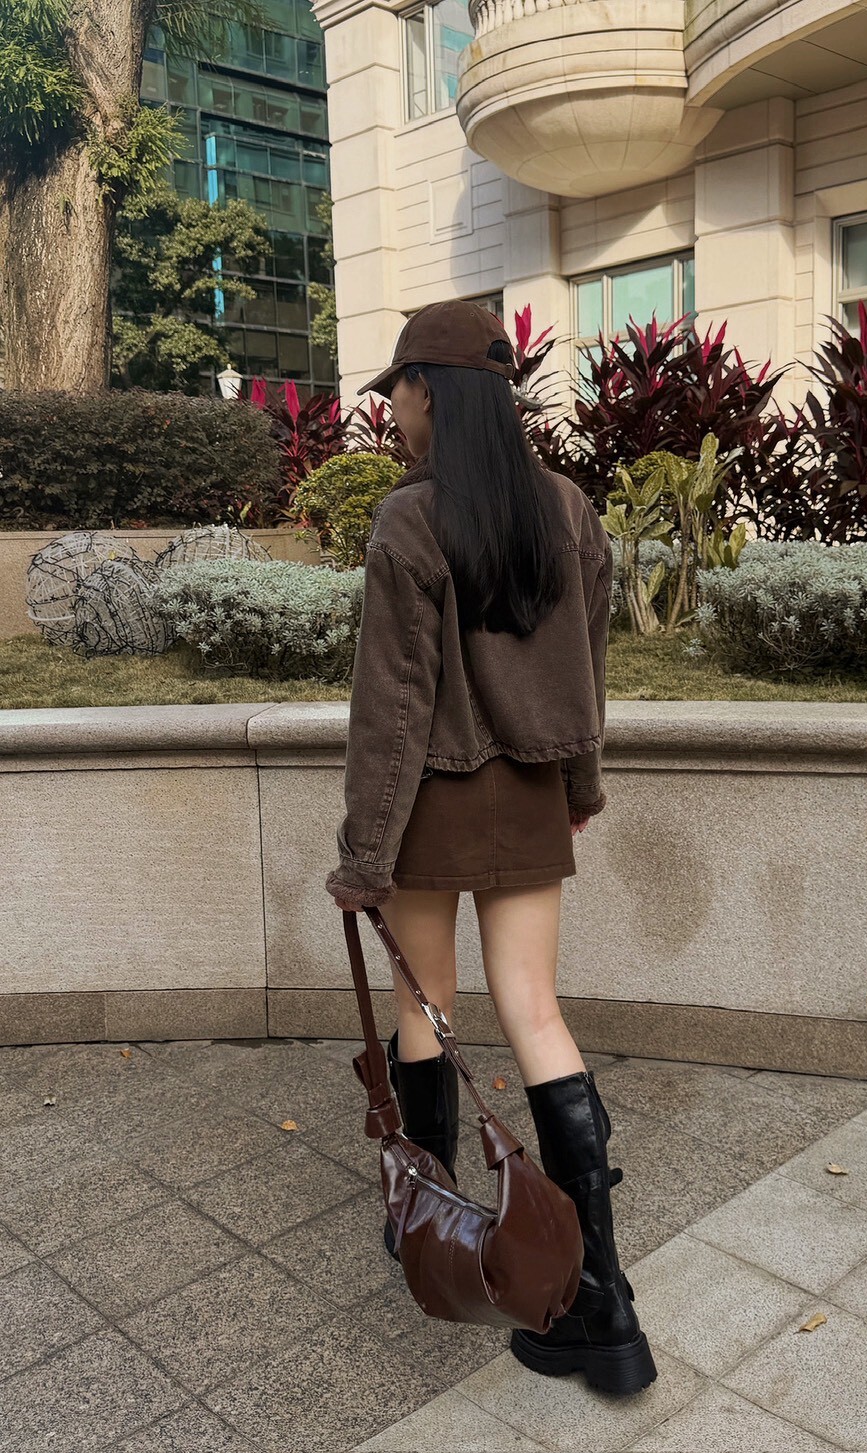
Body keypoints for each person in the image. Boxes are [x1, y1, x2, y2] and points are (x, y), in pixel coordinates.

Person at [324, 299, 657, 1397]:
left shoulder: (408, 519)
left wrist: (362, 852)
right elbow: (587, 667)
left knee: (427, 1009)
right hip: (528, 797)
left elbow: (393, 704)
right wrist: (579, 786)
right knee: (536, 1012)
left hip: (431, 801)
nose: (394, 412)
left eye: (398, 392)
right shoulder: (566, 507)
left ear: (429, 389)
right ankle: (601, 1300)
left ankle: (428, 1211)